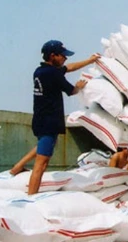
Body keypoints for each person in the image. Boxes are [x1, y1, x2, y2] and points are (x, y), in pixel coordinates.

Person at [9, 40, 100, 194]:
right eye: (62, 55)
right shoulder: (53, 74)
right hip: (49, 121)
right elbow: (71, 91)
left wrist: (89, 61)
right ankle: (31, 196)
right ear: (53, 56)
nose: (65, 58)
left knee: (44, 145)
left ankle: (17, 167)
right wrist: (79, 86)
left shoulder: (40, 71)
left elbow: (67, 68)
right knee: (42, 164)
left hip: (40, 119)